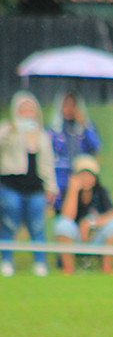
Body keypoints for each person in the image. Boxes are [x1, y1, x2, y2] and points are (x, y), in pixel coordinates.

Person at [0, 90, 58, 277]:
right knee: (9, 224)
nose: (27, 113)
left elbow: (48, 163)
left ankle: (40, 263)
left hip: (35, 188)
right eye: (23, 109)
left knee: (37, 226)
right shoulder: (8, 130)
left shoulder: (42, 135)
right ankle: (6, 261)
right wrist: (11, 131)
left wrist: (51, 187)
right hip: (11, 186)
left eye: (30, 110)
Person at [52, 155, 113, 274]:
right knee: (62, 225)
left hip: (95, 238)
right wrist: (73, 190)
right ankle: (68, 269)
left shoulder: (100, 191)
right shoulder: (68, 191)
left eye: (89, 175)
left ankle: (107, 268)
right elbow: (67, 217)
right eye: (82, 175)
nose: (86, 179)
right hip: (76, 238)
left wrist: (90, 223)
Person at [48, 92, 102, 212]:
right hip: (60, 174)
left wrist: (84, 123)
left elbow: (96, 145)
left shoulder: (84, 129)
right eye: (66, 105)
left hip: (81, 173)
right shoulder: (54, 130)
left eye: (73, 105)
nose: (69, 109)